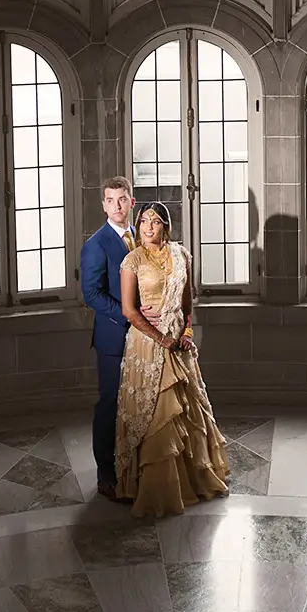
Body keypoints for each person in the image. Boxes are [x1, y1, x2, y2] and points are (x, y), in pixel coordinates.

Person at [114, 201, 229, 518]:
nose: (148, 226)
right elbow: (129, 310)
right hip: (148, 346)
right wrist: (160, 337)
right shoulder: (132, 260)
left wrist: (188, 332)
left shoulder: (181, 255)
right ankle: (156, 489)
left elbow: (189, 301)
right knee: (158, 416)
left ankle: (192, 480)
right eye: (144, 221)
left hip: (180, 342)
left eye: (155, 221)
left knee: (188, 411)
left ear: (166, 225)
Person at [79, 176, 150, 502]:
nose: (118, 206)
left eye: (123, 199)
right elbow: (91, 293)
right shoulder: (95, 244)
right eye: (111, 200)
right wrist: (130, 314)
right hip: (113, 338)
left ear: (132, 202)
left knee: (139, 405)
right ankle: (105, 477)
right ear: (104, 205)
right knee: (109, 405)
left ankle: (134, 470)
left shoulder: (142, 238)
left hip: (144, 337)